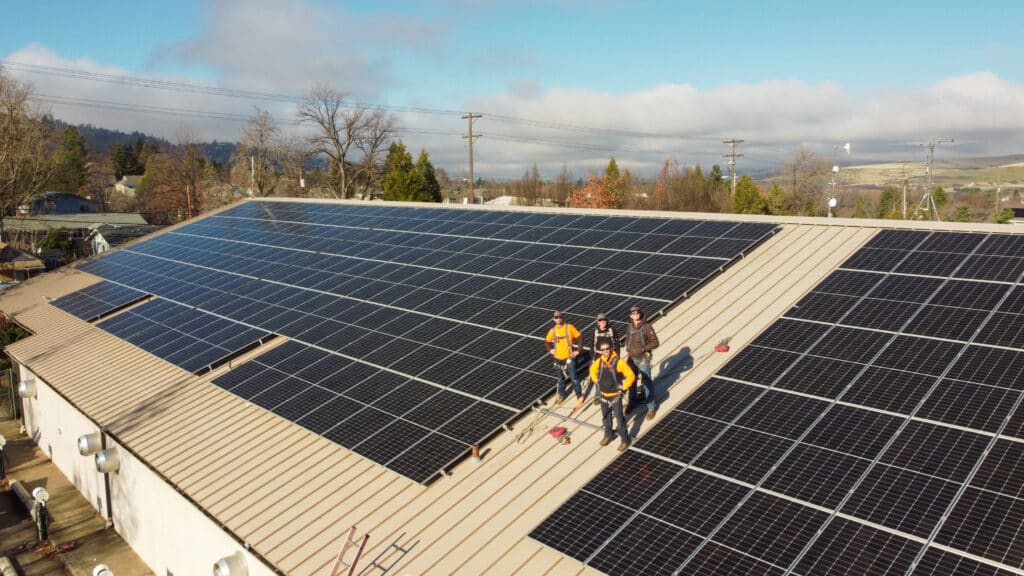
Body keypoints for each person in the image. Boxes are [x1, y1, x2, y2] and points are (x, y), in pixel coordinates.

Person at [589, 341, 636, 451]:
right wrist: (597, 381)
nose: (606, 351)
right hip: (604, 395)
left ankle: (625, 439)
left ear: (611, 349)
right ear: (601, 351)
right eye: (603, 349)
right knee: (606, 417)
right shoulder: (599, 361)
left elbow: (631, 376)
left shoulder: (618, 362)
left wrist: (624, 388)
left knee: (620, 419)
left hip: (615, 396)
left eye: (607, 349)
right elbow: (592, 370)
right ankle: (608, 435)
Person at [621, 304, 660, 419]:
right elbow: (627, 339)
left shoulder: (647, 327)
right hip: (631, 359)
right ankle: (632, 403)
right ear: (630, 316)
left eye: (637, 313)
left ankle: (651, 407)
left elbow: (655, 342)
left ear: (640, 314)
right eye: (633, 314)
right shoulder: (629, 327)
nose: (635, 315)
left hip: (643, 359)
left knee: (647, 383)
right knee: (631, 382)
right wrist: (628, 349)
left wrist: (644, 349)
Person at [545, 311, 583, 403]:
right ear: (554, 319)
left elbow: (580, 338)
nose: (558, 319)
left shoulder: (569, 328)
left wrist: (578, 351)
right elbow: (547, 341)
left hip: (569, 358)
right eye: (556, 318)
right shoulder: (552, 331)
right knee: (560, 379)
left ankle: (579, 396)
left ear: (562, 318)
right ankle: (562, 394)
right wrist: (550, 350)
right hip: (557, 359)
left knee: (574, 377)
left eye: (560, 317)